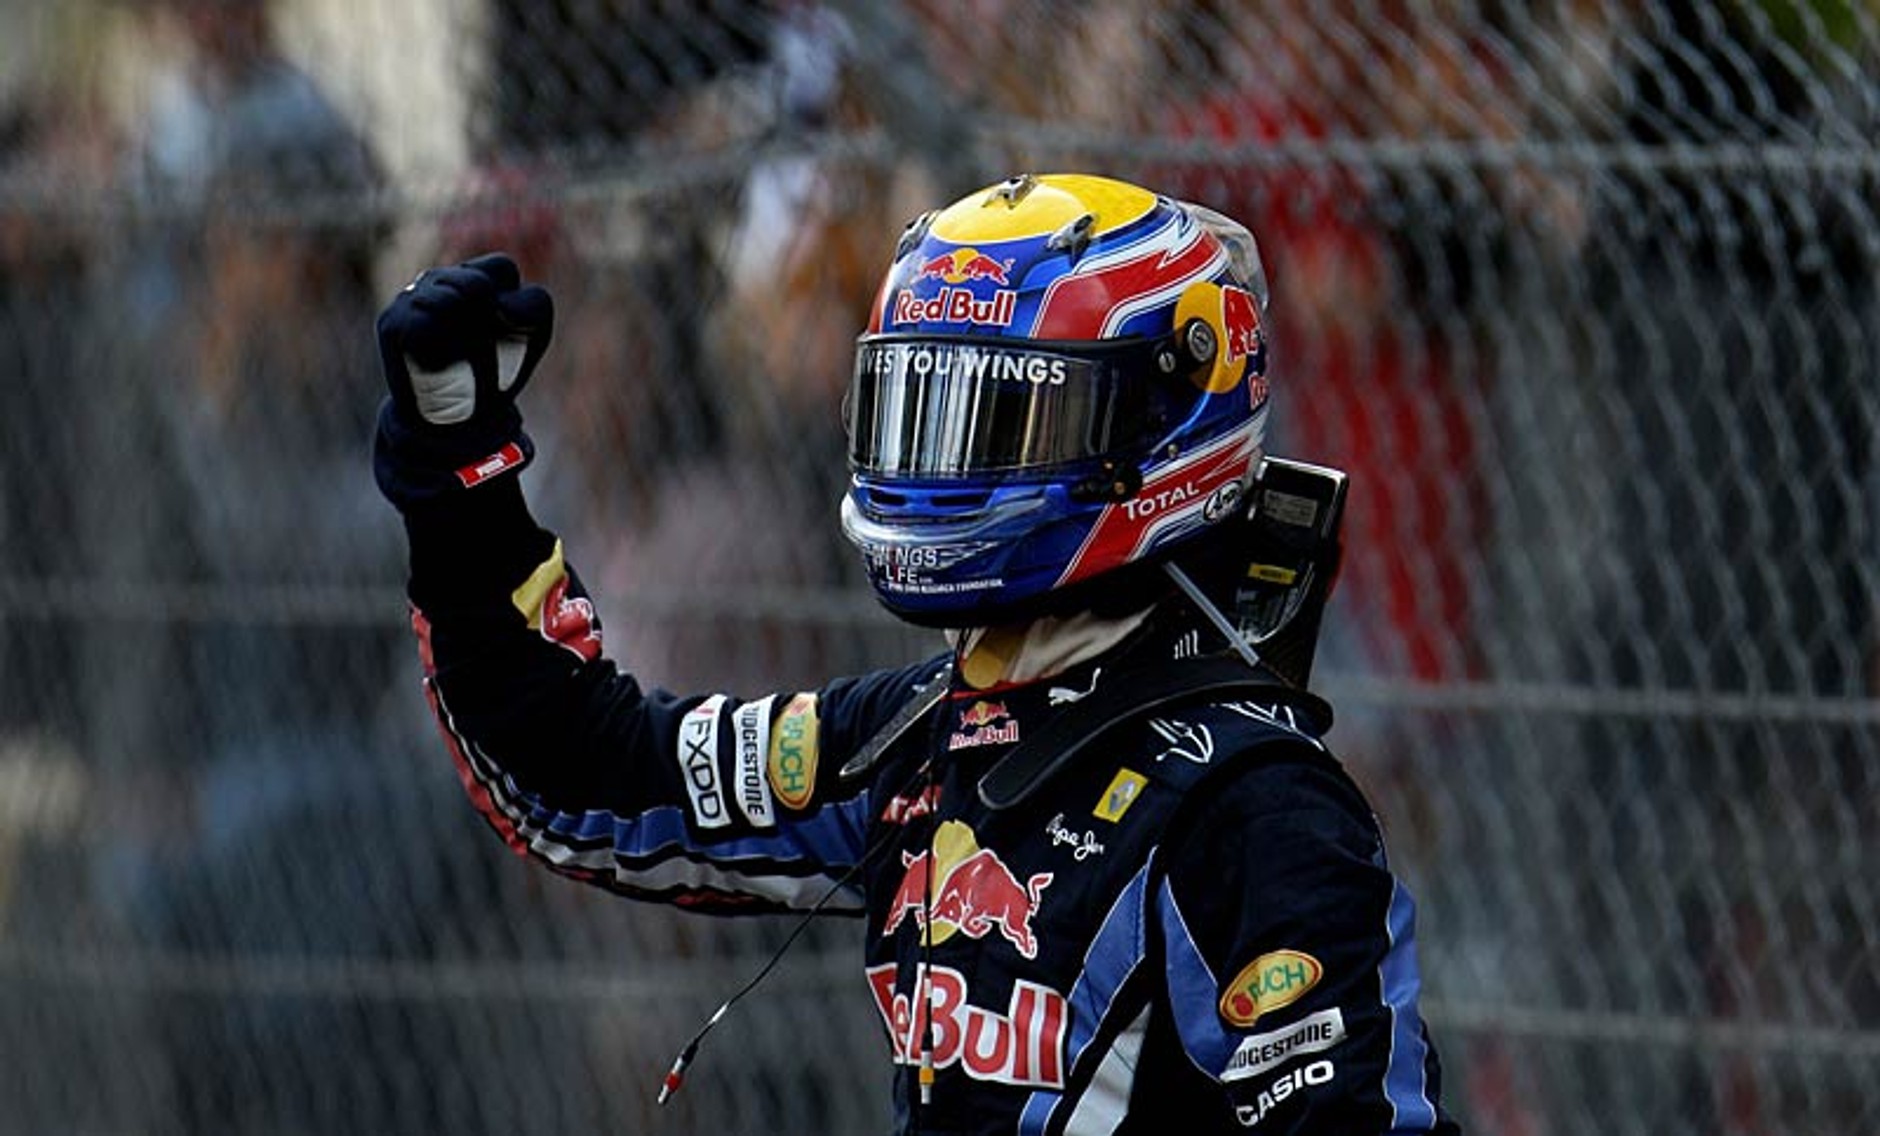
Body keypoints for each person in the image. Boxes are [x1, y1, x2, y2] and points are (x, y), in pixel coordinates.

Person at [372, 172, 1461, 1134]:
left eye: (1001, 421)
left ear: (1159, 429)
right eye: (921, 408)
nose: (944, 468)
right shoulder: (922, 734)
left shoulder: (1252, 808)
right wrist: (465, 493)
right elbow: (585, 778)